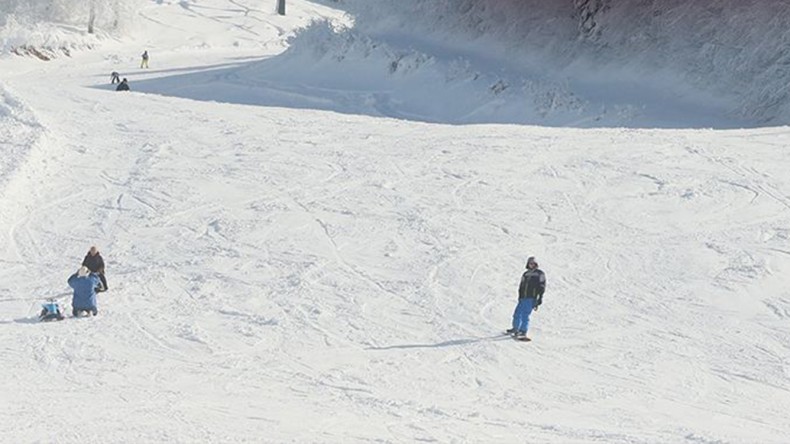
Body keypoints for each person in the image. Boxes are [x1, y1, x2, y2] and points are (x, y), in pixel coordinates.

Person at [506, 256, 546, 340]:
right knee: (517, 313)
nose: (531, 265)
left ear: (535, 264)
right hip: (523, 297)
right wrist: (520, 296)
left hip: (531, 297)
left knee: (525, 314)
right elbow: (521, 286)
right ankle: (515, 328)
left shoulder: (539, 273)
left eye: (533, 263)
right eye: (530, 263)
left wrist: (539, 297)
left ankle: (523, 331)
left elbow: (542, 286)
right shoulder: (525, 274)